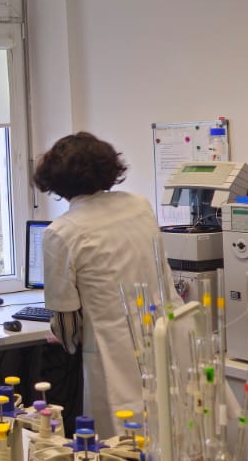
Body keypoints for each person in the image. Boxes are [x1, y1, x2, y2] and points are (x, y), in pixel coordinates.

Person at [33, 132, 159, 434]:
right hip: (160, 340)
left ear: (55, 180)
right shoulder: (140, 206)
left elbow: (67, 328)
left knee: (118, 448)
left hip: (112, 355)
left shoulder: (61, 231)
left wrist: (62, 337)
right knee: (165, 434)